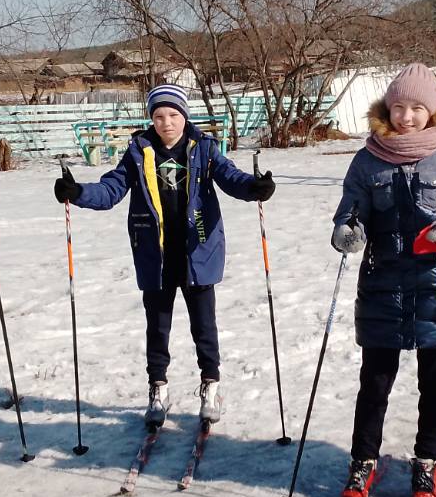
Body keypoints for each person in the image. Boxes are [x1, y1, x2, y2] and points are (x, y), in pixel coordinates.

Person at [53, 85, 273, 425]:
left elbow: (232, 178)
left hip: (197, 250)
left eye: (173, 115)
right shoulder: (139, 153)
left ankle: (210, 384)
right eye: (158, 116)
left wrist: (254, 188)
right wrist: (78, 192)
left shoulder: (204, 149)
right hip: (154, 254)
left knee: (204, 325)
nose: (166, 123)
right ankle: (158, 387)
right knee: (157, 327)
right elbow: (111, 189)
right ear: (151, 119)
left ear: (184, 116)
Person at [329, 63, 436, 497]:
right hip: (382, 285)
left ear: (432, 110)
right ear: (386, 109)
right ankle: (363, 460)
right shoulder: (367, 158)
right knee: (375, 380)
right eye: (399, 107)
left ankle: (428, 460)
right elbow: (349, 210)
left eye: (417, 108)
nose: (407, 117)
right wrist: (346, 231)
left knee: (435, 379)